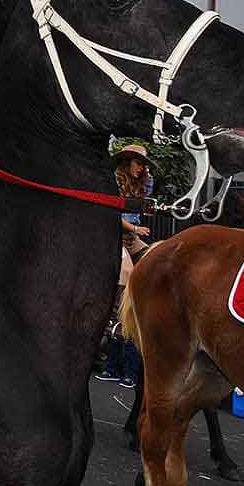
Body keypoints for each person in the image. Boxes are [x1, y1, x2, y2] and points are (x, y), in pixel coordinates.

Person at [96, 144, 152, 388]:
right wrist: (134, 229)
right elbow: (111, 213)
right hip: (112, 234)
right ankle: (118, 314)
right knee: (128, 270)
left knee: (153, 259)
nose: (141, 168)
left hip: (132, 238)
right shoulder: (114, 182)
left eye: (144, 164)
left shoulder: (142, 184)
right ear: (127, 162)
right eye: (138, 163)